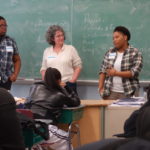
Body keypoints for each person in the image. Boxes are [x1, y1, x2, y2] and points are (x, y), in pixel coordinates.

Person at [25, 67, 80, 150]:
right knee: (66, 139)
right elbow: (76, 102)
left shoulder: (34, 87)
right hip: (46, 129)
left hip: (30, 129)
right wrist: (66, 87)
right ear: (58, 81)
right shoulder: (58, 94)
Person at [98, 26, 143, 100]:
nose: (114, 40)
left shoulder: (135, 53)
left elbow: (134, 72)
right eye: (113, 38)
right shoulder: (110, 52)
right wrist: (100, 88)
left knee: (127, 112)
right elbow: (102, 70)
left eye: (117, 37)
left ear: (125, 37)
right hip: (110, 93)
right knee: (109, 112)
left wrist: (116, 73)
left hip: (129, 92)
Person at [40, 25, 82, 93]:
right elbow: (43, 69)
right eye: (58, 36)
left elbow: (78, 66)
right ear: (52, 38)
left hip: (68, 85)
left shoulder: (70, 49)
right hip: (52, 86)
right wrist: (47, 82)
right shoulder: (47, 51)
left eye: (62, 35)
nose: (61, 37)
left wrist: (72, 81)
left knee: (70, 103)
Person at [0, 16, 21, 90]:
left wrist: (15, 74)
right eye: (1, 25)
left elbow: (17, 60)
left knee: (4, 100)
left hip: (6, 80)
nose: (4, 27)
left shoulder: (10, 41)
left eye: (5, 25)